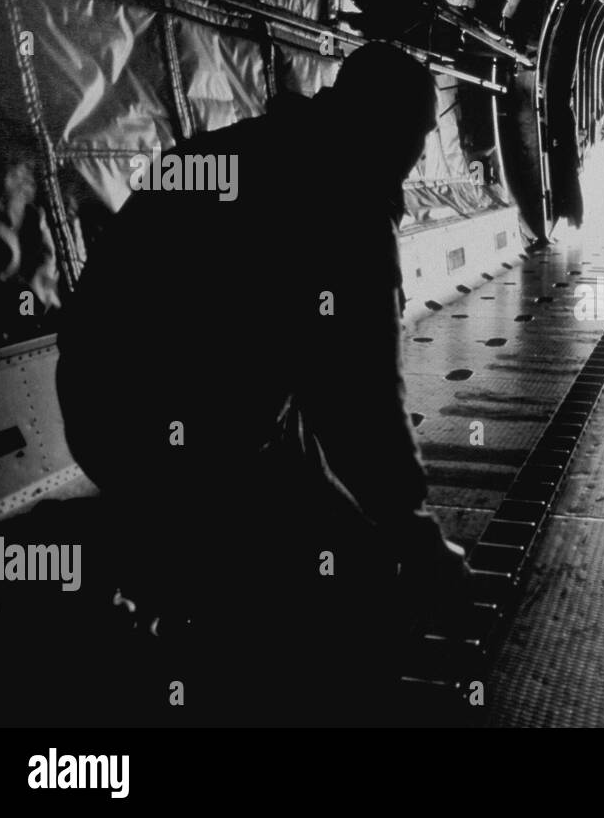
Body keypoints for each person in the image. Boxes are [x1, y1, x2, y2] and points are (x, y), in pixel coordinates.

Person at [56, 42, 472, 723]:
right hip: (194, 439)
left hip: (97, 409)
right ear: (386, 125)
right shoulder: (345, 201)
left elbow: (284, 377)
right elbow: (356, 393)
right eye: (415, 137)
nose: (415, 158)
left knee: (268, 510)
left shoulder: (228, 152)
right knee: (355, 580)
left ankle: (178, 595)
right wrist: (413, 530)